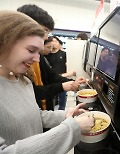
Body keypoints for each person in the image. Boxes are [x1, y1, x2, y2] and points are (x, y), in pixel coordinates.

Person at [0, 10, 95, 154]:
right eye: (31, 50)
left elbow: (35, 116)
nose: (37, 59)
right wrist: (72, 128)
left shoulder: (23, 81)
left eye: (38, 52)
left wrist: (66, 115)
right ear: (5, 42)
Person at [17, 4, 86, 110]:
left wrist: (71, 82)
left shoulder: (38, 56)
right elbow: (30, 92)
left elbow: (51, 75)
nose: (46, 37)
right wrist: (63, 86)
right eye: (44, 31)